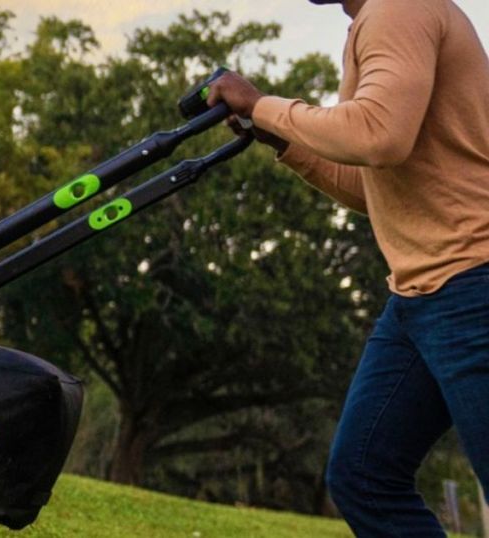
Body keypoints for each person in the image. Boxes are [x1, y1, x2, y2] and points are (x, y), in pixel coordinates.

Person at [206, 0, 489, 536]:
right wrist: (285, 139)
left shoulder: (398, 9)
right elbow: (378, 185)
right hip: (420, 296)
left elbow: (378, 135)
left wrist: (263, 104)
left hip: (472, 284)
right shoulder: (384, 18)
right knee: (364, 475)